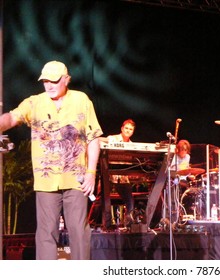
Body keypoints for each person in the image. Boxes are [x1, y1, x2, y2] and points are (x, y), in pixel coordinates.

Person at [0, 60, 103, 260]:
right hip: (46, 180)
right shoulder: (35, 102)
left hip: (76, 179)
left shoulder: (81, 100)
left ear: (66, 80)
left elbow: (93, 138)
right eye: (45, 80)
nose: (49, 85)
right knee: (45, 234)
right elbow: (12, 118)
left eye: (54, 81)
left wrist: (91, 173)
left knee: (79, 232)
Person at [89, 119, 136, 227]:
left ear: (132, 132)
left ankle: (129, 224)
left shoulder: (132, 145)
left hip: (122, 176)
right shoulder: (112, 138)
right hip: (108, 174)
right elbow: (98, 143)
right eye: (127, 128)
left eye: (131, 129)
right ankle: (90, 223)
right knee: (100, 200)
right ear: (122, 128)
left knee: (130, 200)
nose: (128, 131)